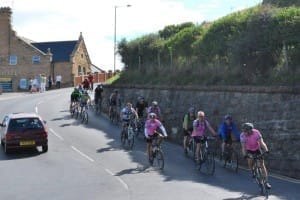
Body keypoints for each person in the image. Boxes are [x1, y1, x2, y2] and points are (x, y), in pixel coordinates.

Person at [240, 122, 271, 189]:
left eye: (246, 131)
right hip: (249, 150)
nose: (244, 132)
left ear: (250, 130)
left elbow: (262, 143)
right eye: (244, 131)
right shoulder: (242, 135)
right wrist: (245, 155)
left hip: (257, 149)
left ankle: (266, 182)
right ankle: (252, 170)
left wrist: (266, 150)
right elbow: (243, 147)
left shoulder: (256, 132)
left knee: (262, 165)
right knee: (250, 163)